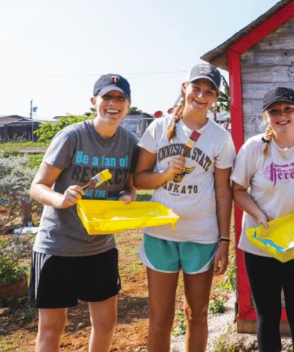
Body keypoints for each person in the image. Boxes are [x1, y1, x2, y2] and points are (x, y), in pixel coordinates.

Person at [29, 74, 139, 352]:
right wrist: (60, 198)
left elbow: (130, 187)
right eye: (107, 97)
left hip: (100, 246)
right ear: (94, 101)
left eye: (120, 98)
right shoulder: (72, 136)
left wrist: (128, 195)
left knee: (105, 323)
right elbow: (37, 186)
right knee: (52, 327)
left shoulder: (130, 142)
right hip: (58, 245)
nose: (113, 104)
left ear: (128, 105)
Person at [133, 64, 235, 352]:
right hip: (160, 234)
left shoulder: (220, 137)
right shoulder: (159, 128)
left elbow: (223, 192)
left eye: (209, 91)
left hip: (201, 236)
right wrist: (164, 175)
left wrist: (224, 241)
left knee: (197, 314)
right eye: (196, 88)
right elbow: (139, 179)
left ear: (216, 98)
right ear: (184, 87)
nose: (201, 96)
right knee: (160, 318)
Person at [231, 87, 294, 352]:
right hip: (261, 245)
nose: (282, 115)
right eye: (274, 111)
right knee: (267, 317)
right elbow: (237, 191)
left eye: (288, 109)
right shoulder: (253, 148)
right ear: (266, 117)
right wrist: (259, 214)